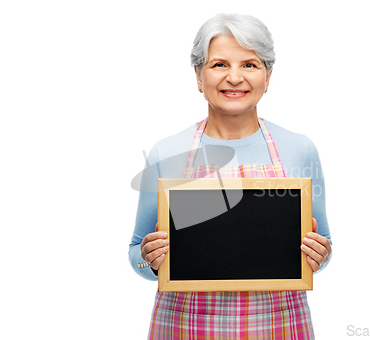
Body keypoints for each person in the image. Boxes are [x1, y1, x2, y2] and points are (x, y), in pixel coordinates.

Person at [129, 13, 332, 339]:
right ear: (198, 75)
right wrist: (148, 259)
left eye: (249, 65)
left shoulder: (298, 149)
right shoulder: (168, 152)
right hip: (184, 327)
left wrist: (319, 255)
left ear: (268, 76)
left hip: (277, 327)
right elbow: (138, 251)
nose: (234, 77)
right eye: (219, 64)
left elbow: (323, 249)